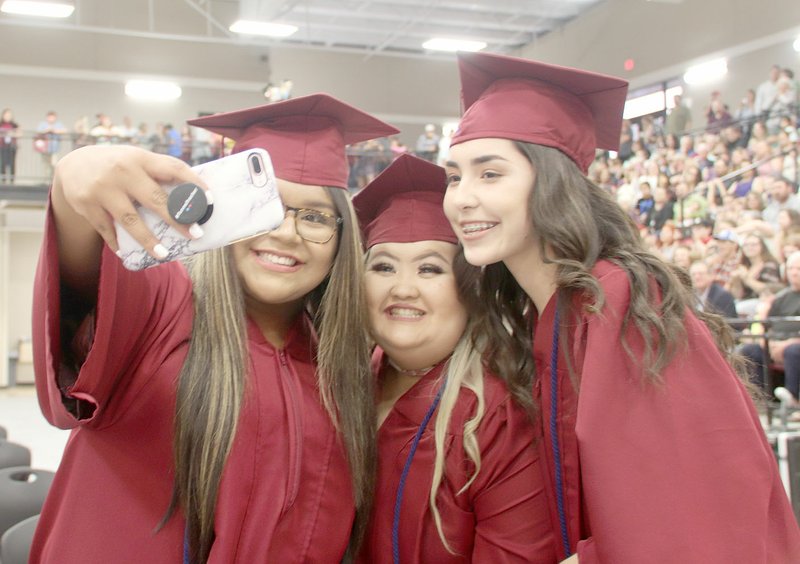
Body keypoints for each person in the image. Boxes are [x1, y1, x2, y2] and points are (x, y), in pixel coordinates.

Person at [441, 51, 800, 562]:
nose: (462, 198)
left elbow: (684, 520)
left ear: (552, 183)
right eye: (454, 176)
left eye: (490, 174)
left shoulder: (620, 302)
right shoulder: (547, 315)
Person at [30, 93, 399, 563]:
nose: (286, 232)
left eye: (314, 216)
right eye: (268, 205)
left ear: (341, 242)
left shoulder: (343, 373)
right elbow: (85, 283)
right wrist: (74, 176)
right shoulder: (163, 307)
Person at [353, 154, 555, 563]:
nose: (403, 288)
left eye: (429, 269)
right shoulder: (340, 389)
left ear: (470, 289)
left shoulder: (499, 416)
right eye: (384, 266)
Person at [740, 251, 800, 396]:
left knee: (793, 351)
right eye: (791, 268)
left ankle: (793, 399)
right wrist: (768, 343)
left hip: (794, 343)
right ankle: (761, 397)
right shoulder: (780, 298)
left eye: (798, 269)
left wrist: (787, 344)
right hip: (775, 342)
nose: (794, 272)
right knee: (749, 350)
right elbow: (766, 324)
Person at [0, 108, 19, 183]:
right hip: (2, 146)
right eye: (6, 115)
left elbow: (19, 133)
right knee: (3, 163)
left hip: (11, 146)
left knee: (12, 163)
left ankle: (12, 180)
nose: (7, 116)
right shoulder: (1, 124)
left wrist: (12, 133)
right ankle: (3, 180)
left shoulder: (14, 125)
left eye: (9, 115)